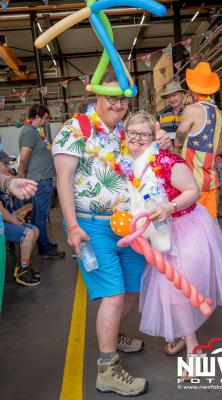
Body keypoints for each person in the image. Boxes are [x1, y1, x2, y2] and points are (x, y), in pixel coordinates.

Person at [52, 71, 170, 397]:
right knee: (114, 293)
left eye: (123, 99)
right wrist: (73, 226)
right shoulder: (75, 128)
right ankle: (108, 369)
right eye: (112, 97)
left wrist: (159, 140)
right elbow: (63, 180)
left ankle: (113, 333)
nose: (118, 105)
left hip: (127, 224)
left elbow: (145, 162)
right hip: (90, 225)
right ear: (97, 96)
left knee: (133, 288)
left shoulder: (123, 132)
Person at [121, 111, 222, 376]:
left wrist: (169, 206)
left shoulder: (166, 160)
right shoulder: (128, 163)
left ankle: (192, 347)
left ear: (153, 137)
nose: (138, 139)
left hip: (185, 229)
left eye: (144, 134)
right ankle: (183, 335)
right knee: (173, 292)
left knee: (177, 293)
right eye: (133, 133)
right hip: (157, 234)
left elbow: (193, 191)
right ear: (125, 134)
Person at [174, 62, 222, 223]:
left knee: (194, 224)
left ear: (192, 88)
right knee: (212, 223)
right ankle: (219, 249)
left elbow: (178, 140)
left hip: (193, 181)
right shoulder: (218, 112)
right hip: (210, 178)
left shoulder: (193, 109)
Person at [18, 104, 65, 259]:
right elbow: (24, 157)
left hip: (42, 178)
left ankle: (43, 243)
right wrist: (23, 177)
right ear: (37, 117)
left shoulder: (34, 131)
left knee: (40, 214)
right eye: (45, 118)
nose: (45, 122)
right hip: (39, 180)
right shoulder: (28, 132)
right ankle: (45, 248)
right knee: (41, 215)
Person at [0, 152, 40, 286]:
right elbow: (1, 210)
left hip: (6, 220)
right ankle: (23, 271)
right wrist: (13, 220)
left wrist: (15, 215)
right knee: (27, 234)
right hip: (2, 225)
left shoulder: (5, 182)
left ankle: (24, 264)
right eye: (4, 164)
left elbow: (7, 209)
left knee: (35, 230)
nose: (8, 167)